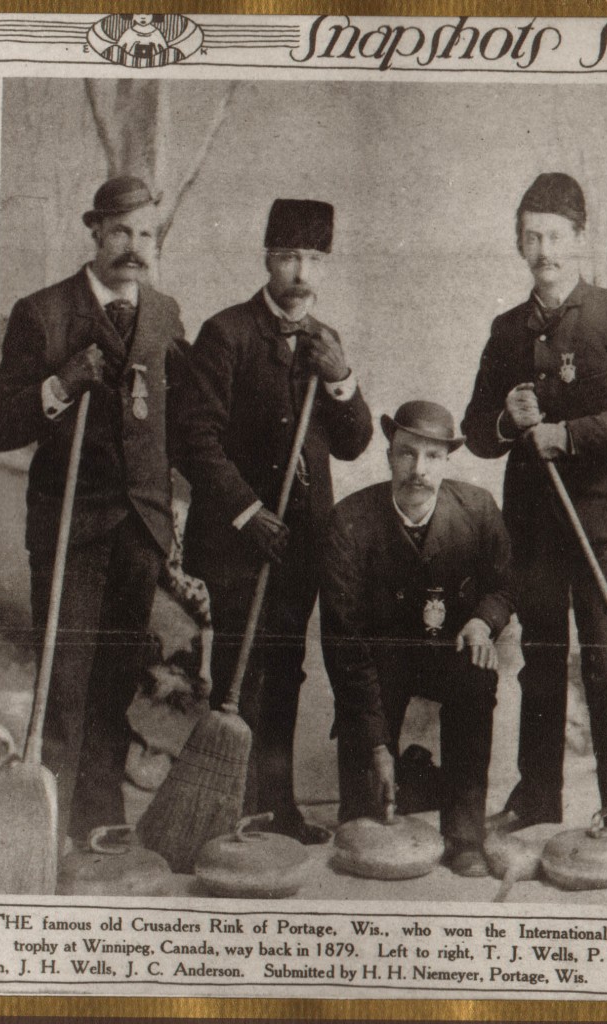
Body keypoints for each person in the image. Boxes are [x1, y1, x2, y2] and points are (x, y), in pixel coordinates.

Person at [0, 176, 188, 851]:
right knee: (64, 680)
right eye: (121, 232)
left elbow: (175, 426)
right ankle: (45, 827)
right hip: (71, 525)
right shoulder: (42, 313)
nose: (134, 247)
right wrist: (60, 383)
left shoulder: (164, 314)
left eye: (145, 235)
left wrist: (176, 522)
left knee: (112, 682)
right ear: (95, 233)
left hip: (140, 526)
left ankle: (98, 817)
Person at [180, 198, 373, 845]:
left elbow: (353, 443)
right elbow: (196, 440)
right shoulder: (225, 333)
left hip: (301, 542)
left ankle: (277, 804)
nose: (300, 270)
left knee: (285, 668)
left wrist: (340, 378)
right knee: (240, 668)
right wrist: (247, 511)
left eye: (313, 257)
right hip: (239, 540)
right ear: (267, 258)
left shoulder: (326, 341)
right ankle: (226, 805)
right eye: (289, 255)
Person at [462, 172, 607, 833]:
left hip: (602, 522)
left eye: (556, 237)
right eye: (532, 236)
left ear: (579, 240)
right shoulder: (505, 329)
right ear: (518, 242)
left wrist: (564, 434)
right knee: (538, 656)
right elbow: (477, 433)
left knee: (602, 658)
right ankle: (536, 796)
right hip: (532, 526)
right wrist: (507, 421)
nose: (545, 251)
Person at [320, 401, 515, 877]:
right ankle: (383, 790)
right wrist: (375, 745)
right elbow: (345, 641)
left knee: (477, 674)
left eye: (432, 457)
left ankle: (465, 834)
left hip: (451, 650)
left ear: (447, 461)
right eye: (407, 454)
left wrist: (482, 622)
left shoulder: (478, 508)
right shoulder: (349, 520)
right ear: (389, 455)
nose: (419, 469)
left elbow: (506, 586)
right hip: (380, 661)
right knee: (365, 819)